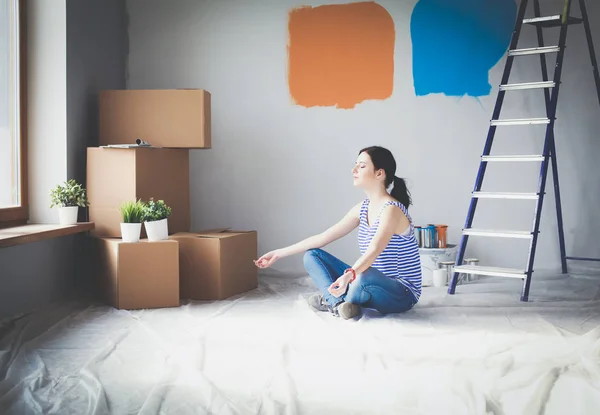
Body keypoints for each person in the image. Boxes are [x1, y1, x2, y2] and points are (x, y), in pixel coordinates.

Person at [254, 146, 422, 320]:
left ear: (379, 173)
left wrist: (349, 275)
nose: (354, 169)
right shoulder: (362, 208)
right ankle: (342, 304)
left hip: (401, 293)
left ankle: (335, 300)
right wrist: (277, 253)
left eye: (362, 166)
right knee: (312, 255)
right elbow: (322, 238)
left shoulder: (391, 209)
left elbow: (374, 250)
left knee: (363, 275)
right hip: (365, 281)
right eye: (355, 164)